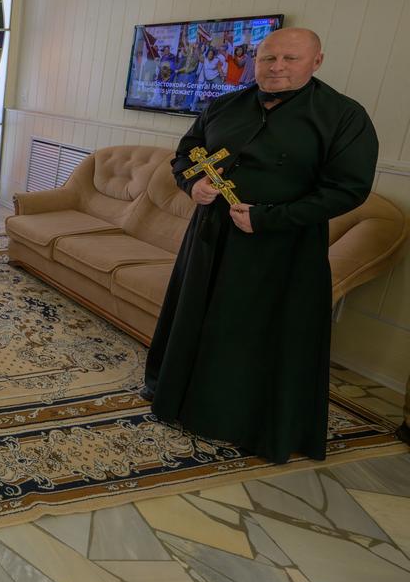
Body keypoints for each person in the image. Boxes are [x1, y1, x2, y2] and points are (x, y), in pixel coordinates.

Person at [144, 27, 379, 463]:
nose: (277, 68)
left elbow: (349, 189)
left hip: (281, 248)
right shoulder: (224, 105)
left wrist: (269, 217)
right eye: (268, 58)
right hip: (211, 236)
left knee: (249, 333)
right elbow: (187, 151)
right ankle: (179, 402)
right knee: (197, 315)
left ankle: (239, 420)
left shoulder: (344, 116)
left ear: (317, 61)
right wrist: (191, 183)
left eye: (290, 59)